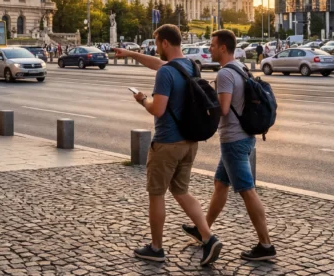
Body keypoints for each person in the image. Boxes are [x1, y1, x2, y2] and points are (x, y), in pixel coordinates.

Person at [114, 25, 219, 267]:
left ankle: (156, 248)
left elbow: (158, 108)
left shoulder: (166, 74)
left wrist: (143, 100)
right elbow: (157, 64)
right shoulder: (191, 65)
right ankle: (208, 237)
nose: (155, 48)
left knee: (156, 194)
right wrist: (131, 54)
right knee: (181, 191)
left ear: (164, 43)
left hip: (167, 143)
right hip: (189, 142)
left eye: (157, 43)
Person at [189, 29, 276, 262]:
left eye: (213, 45)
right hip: (245, 137)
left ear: (223, 48)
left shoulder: (225, 75)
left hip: (233, 140)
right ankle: (203, 230)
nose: (209, 49)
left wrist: (204, 100)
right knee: (220, 184)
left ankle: (265, 244)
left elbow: (223, 109)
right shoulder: (240, 67)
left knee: (247, 191)